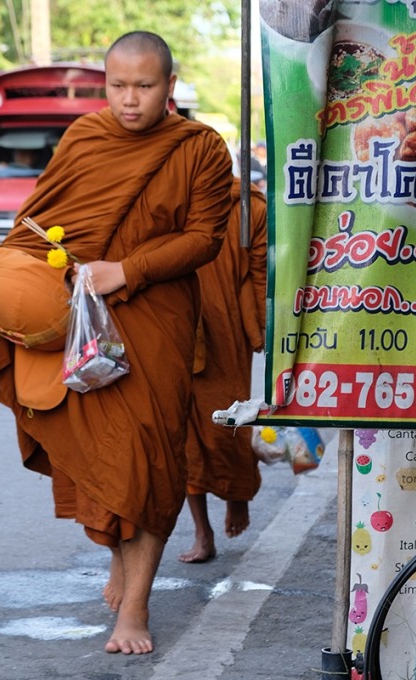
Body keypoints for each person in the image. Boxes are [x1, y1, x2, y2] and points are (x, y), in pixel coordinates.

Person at [0, 31, 233, 655]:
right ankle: (119, 555)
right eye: (118, 86)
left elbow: (204, 239)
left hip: (157, 322)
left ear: (170, 86)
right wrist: (12, 278)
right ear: (104, 84)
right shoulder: (85, 139)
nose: (130, 101)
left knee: (148, 458)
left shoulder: (200, 148)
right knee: (95, 454)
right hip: (82, 320)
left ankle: (136, 608)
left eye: (144, 87)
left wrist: (128, 270)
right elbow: (35, 225)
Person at [179, 177, 268, 563]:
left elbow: (262, 270)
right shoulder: (171, 203)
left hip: (225, 330)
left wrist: (266, 327)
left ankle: (238, 494)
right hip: (177, 327)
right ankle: (202, 532)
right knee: (181, 439)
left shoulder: (250, 209)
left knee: (226, 426)